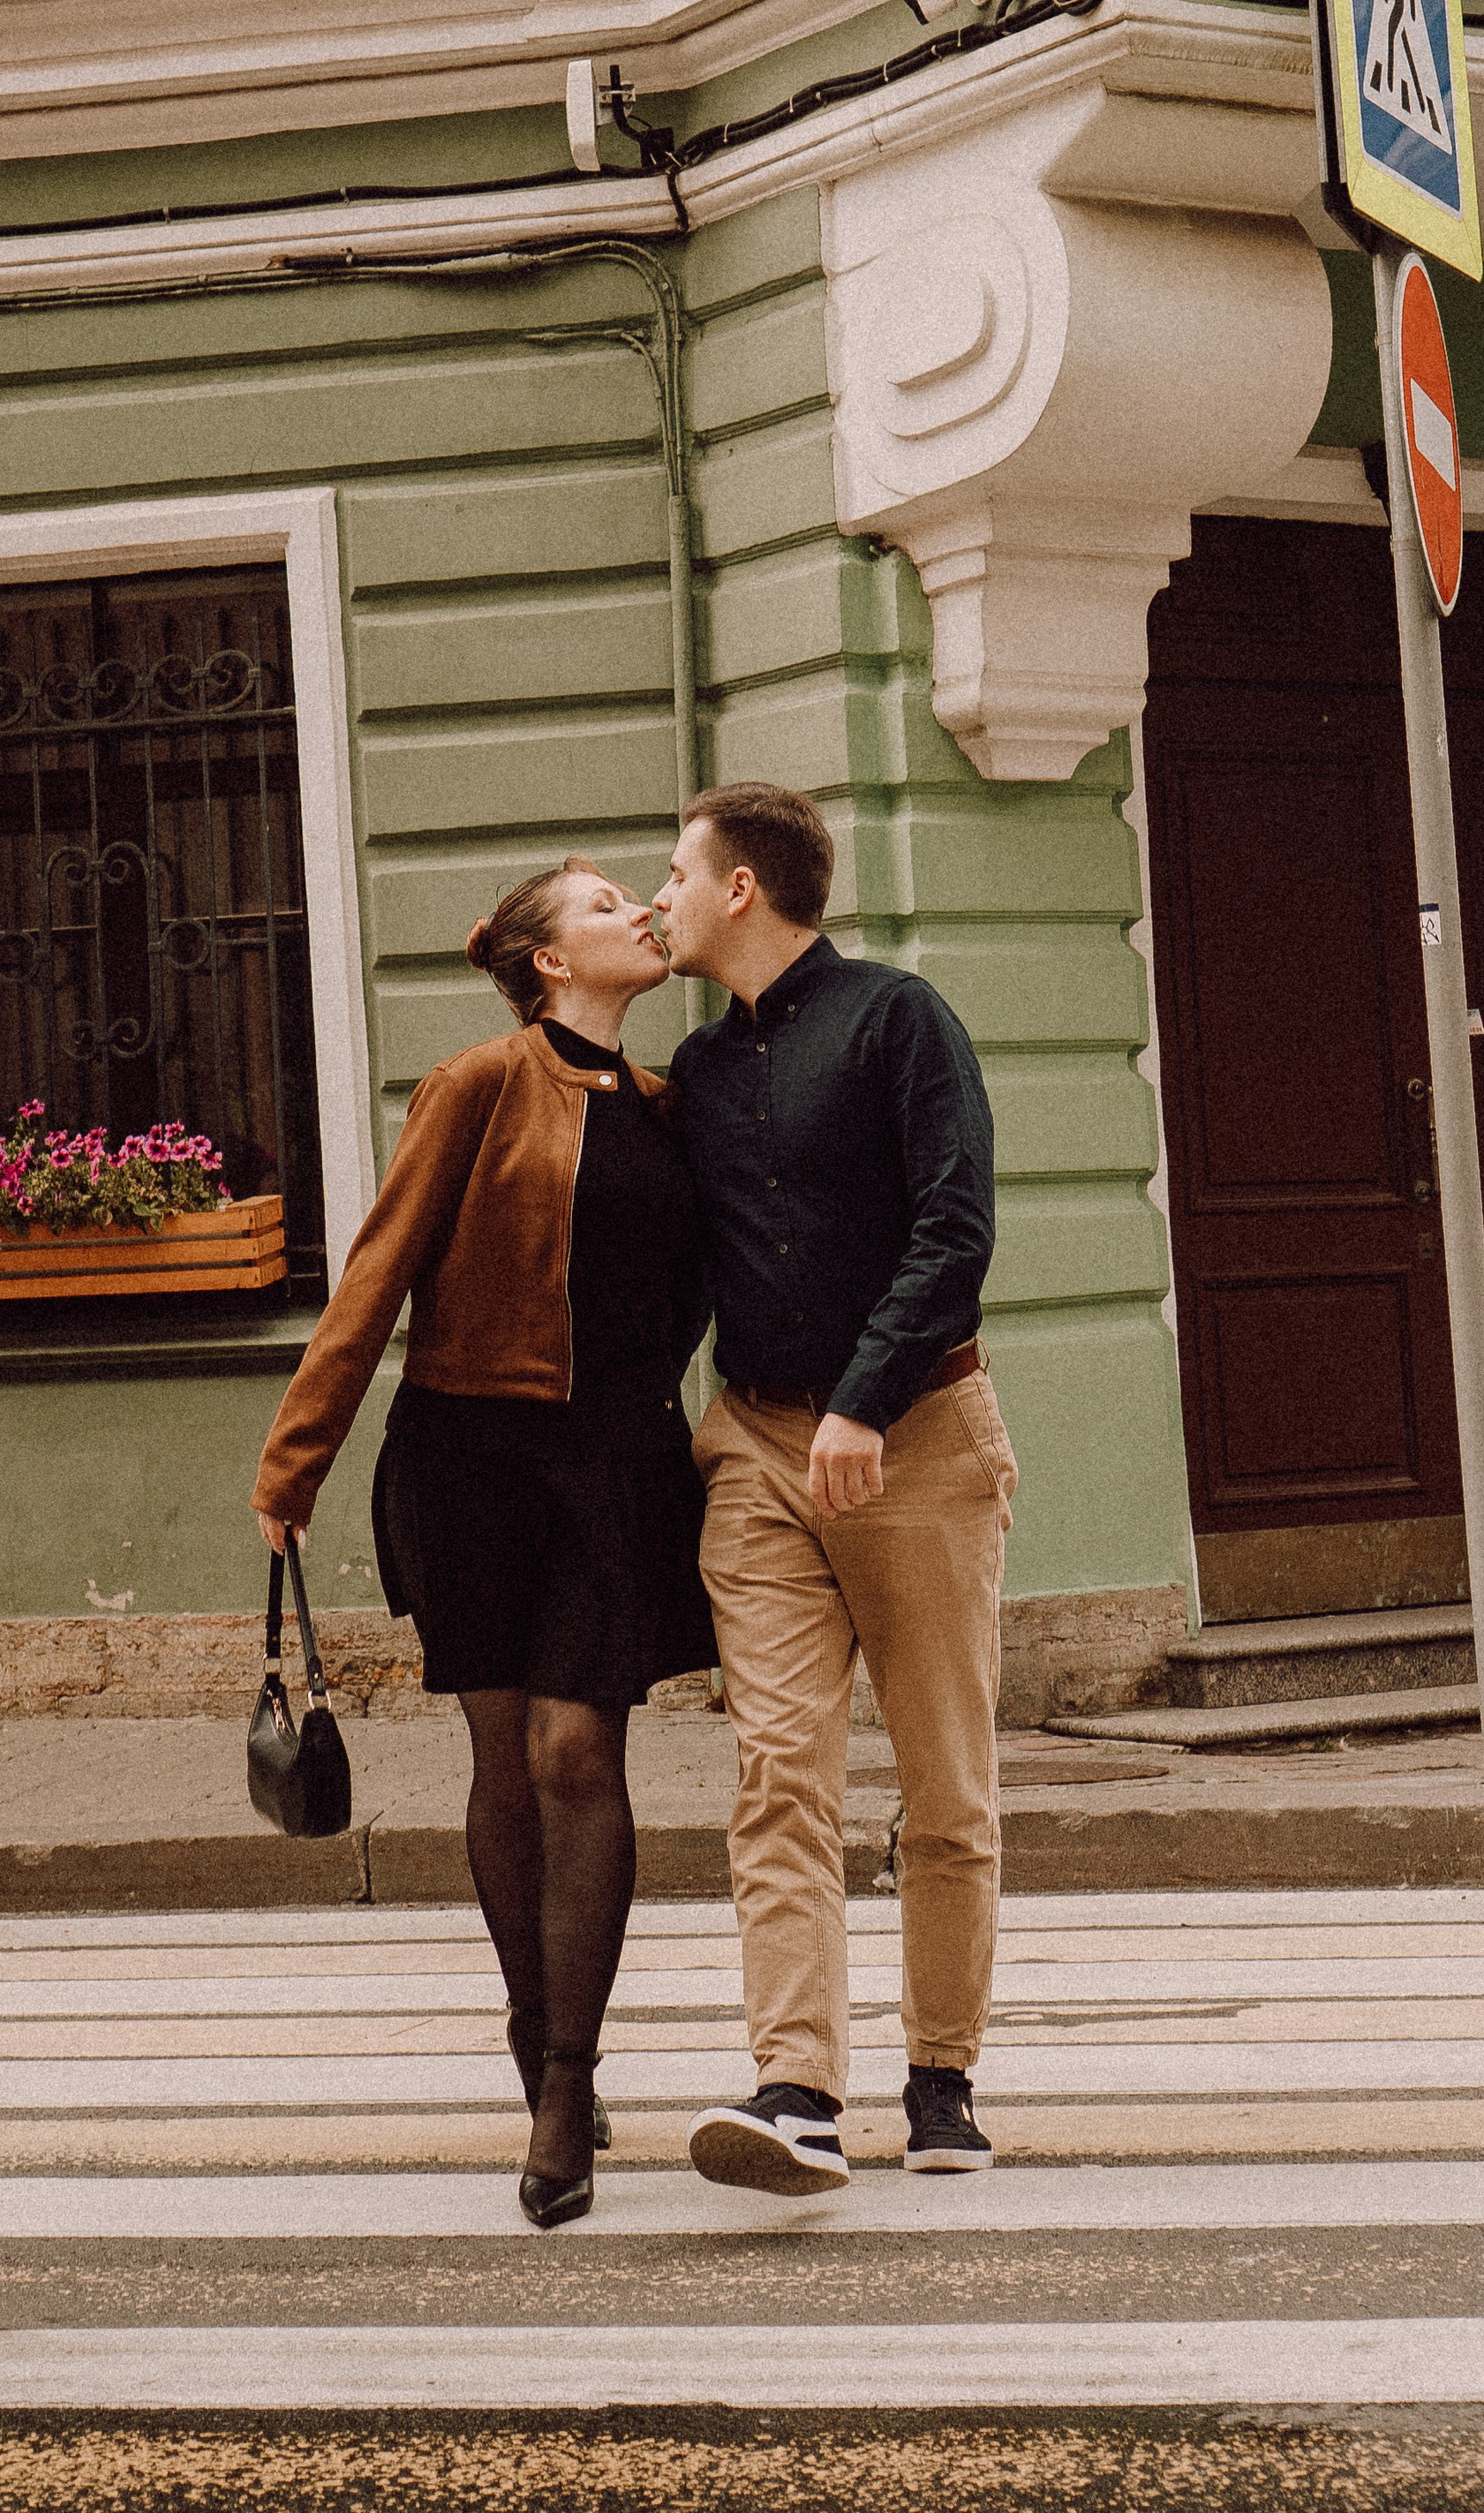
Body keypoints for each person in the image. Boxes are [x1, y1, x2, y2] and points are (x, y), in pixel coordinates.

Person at [251, 858, 714, 2229]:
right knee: (504, 1756)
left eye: (640, 895)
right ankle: (536, 2031)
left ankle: (566, 2079)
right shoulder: (479, 1084)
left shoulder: (670, 1108)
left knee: (578, 1749)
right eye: (603, 904)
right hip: (471, 1459)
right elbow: (378, 1269)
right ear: (547, 960)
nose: (638, 912)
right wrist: (296, 1457)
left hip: (616, 1465)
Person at [653, 781, 1010, 2196]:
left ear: (742, 887)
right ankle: (797, 2085)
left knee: (943, 1783)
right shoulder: (698, 1071)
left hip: (916, 1440)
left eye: (677, 871)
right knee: (779, 1770)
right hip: (756, 1449)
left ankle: (942, 2075)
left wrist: (866, 1396)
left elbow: (957, 1220)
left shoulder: (898, 1020)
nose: (661, 893)